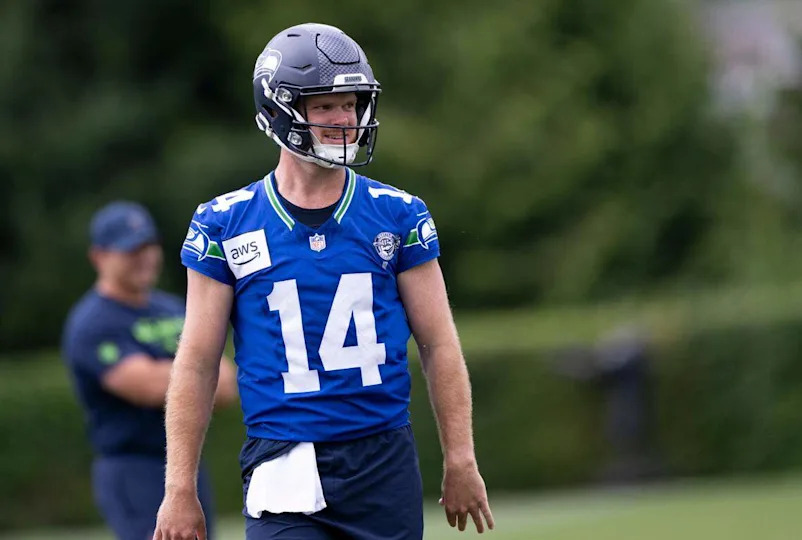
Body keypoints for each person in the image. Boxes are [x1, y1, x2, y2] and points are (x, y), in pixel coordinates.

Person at [154, 23, 493, 540]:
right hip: (282, 458)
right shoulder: (224, 223)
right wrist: (179, 488)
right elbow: (198, 360)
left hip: (383, 461)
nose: (344, 119)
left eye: (351, 103)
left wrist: (461, 456)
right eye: (324, 105)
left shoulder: (397, 214)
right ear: (281, 110)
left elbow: (439, 343)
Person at [61, 201, 238, 540]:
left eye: (149, 246)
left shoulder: (172, 307)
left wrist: (183, 372)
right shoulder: (92, 323)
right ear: (99, 257)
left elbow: (227, 384)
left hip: (187, 463)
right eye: (130, 250)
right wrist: (193, 371)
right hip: (134, 468)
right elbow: (147, 387)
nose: (145, 257)